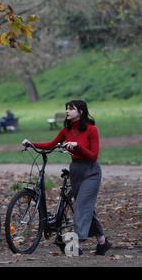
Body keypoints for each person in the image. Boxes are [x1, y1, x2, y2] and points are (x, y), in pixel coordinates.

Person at [22, 100, 111, 256]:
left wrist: (77, 146)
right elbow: (51, 144)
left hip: (91, 172)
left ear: (81, 112)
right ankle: (102, 241)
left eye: (71, 109)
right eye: (66, 109)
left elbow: (93, 155)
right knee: (85, 208)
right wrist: (31, 143)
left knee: (81, 207)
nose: (67, 111)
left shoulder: (92, 130)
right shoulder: (66, 130)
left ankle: (75, 244)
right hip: (75, 171)